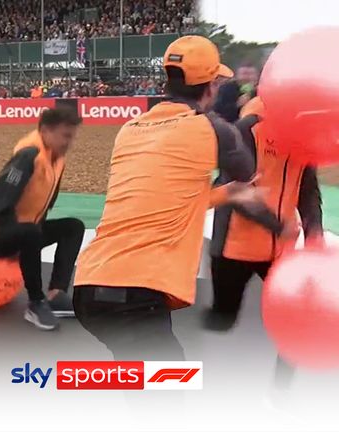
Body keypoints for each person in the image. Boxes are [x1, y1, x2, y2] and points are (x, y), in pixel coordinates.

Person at [71, 35, 267, 361]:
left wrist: (226, 194)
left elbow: (165, 198)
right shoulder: (213, 128)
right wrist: (248, 116)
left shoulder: (131, 128)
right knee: (165, 394)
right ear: (211, 86)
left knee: (148, 384)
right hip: (134, 293)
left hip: (90, 284)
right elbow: (248, 172)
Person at [207, 89, 325, 394]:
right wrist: (275, 224)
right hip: (235, 247)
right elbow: (232, 190)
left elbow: (308, 190)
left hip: (281, 252)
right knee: (222, 321)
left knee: (295, 322)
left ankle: (280, 396)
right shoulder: (249, 129)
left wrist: (315, 232)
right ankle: (208, 387)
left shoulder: (305, 137)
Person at [0, 108, 85, 331]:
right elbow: (1, 201)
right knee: (30, 232)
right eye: (65, 136)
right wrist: (16, 239)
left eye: (72, 136)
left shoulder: (57, 159)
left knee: (73, 227)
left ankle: (56, 294)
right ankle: (35, 302)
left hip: (23, 233)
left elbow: (45, 205)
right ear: (45, 131)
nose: (69, 142)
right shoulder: (28, 155)